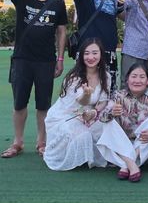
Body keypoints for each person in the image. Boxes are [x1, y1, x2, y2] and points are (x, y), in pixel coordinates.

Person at [0, 0, 68, 159]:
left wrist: (60, 59)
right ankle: (18, 142)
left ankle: (42, 143)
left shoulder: (58, 4)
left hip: (46, 61)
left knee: (43, 104)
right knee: (19, 102)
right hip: (22, 59)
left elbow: (61, 32)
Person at [43, 38, 111, 171]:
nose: (91, 57)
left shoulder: (106, 76)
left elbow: (103, 101)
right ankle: (72, 155)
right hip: (66, 116)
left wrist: (94, 112)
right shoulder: (74, 77)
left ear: (101, 54)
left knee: (108, 127)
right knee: (84, 135)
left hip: (89, 115)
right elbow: (81, 102)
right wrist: (87, 94)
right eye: (87, 53)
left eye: (95, 53)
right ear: (81, 56)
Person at [97, 63, 148, 182]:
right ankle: (131, 165)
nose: (137, 80)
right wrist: (112, 112)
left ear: (147, 81)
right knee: (108, 122)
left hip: (143, 144)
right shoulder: (118, 95)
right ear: (127, 79)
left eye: (142, 77)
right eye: (134, 76)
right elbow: (102, 118)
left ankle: (125, 164)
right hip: (121, 143)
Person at [71, 0, 120, 87]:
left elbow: (119, 15)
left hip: (109, 51)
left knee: (109, 90)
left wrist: (124, 3)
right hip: (88, 52)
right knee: (86, 90)